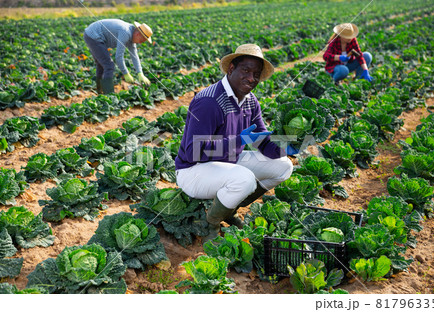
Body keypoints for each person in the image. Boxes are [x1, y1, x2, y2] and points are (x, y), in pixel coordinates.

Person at [175, 44, 295, 243]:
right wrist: (237, 141)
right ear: (231, 69)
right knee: (244, 179)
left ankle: (227, 210)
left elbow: (263, 143)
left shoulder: (250, 101)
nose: (251, 78)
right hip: (193, 171)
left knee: (284, 166)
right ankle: (210, 223)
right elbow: (192, 152)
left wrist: (286, 147)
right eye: (246, 71)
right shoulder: (209, 102)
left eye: (256, 74)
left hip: (228, 162)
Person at [83, 19, 152, 94]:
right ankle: (108, 94)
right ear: (138, 34)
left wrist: (140, 73)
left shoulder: (132, 35)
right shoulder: (125, 33)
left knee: (102, 64)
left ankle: (100, 91)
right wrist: (125, 73)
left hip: (94, 35)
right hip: (93, 35)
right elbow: (118, 57)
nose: (140, 43)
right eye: (141, 41)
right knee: (109, 65)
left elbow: (134, 56)